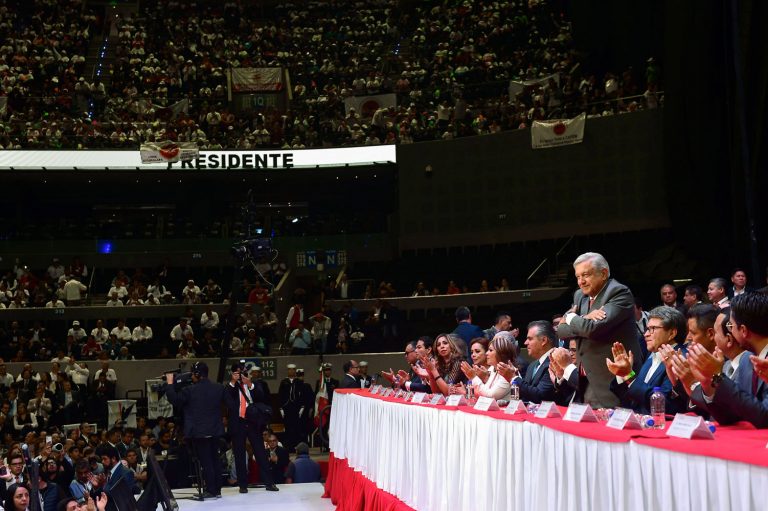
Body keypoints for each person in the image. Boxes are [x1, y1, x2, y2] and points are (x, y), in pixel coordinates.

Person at [556, 252, 643, 408]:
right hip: (585, 382)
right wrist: (585, 318)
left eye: (585, 275)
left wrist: (570, 318)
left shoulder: (618, 292)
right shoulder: (579, 296)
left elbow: (592, 329)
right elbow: (561, 331)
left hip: (612, 382)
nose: (581, 281)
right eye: (577, 277)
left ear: (603, 273)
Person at [688, 293, 768, 428]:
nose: (729, 330)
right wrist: (708, 383)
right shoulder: (746, 360)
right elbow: (732, 416)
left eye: (731, 325)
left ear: (743, 330)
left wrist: (718, 376)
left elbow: (764, 417)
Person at [606, 306, 688, 415]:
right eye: (647, 329)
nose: (646, 334)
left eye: (652, 329)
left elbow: (665, 405)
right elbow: (633, 399)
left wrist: (629, 377)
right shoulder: (652, 356)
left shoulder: (680, 358)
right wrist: (623, 374)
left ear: (672, 333)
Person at [164, 362, 224, 499]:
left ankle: (211, 490)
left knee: (206, 462)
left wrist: (169, 383)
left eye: (193, 374)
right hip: (215, 430)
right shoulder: (218, 388)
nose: (191, 376)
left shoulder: (189, 390)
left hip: (200, 432)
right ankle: (217, 490)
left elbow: (174, 399)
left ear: (197, 374)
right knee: (215, 460)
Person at [223, 362, 278, 493]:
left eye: (243, 372)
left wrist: (249, 384)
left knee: (260, 452)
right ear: (233, 374)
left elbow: (261, 396)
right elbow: (227, 400)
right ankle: (243, 485)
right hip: (238, 423)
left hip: (253, 423)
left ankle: (269, 483)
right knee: (240, 454)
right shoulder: (230, 387)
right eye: (238, 373)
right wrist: (232, 381)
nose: (241, 375)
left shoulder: (255, 385)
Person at [497, 321, 557, 403]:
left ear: (543, 340)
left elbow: (541, 397)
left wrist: (513, 378)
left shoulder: (555, 363)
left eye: (530, 339)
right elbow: (526, 395)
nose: (525, 343)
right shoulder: (532, 365)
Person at [471, 332, 517, 401]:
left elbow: (490, 396)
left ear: (500, 353)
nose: (486, 353)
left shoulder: (509, 371)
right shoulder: (494, 368)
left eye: (490, 350)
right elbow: (484, 393)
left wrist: (473, 377)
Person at [94, 445, 136, 511]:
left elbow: (123, 498)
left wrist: (104, 484)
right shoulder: (108, 472)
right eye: (102, 459)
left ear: (113, 458)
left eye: (105, 459)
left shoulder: (126, 473)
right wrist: (97, 487)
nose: (102, 462)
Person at [279, 364, 304, 452]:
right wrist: (281, 408)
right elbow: (280, 395)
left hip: (296, 407)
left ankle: (296, 446)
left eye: (293, 370)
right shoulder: (284, 382)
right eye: (290, 370)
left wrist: (302, 407)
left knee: (296, 427)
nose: (291, 371)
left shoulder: (299, 382)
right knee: (288, 427)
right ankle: (288, 446)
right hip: (286, 407)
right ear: (288, 371)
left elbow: (302, 395)